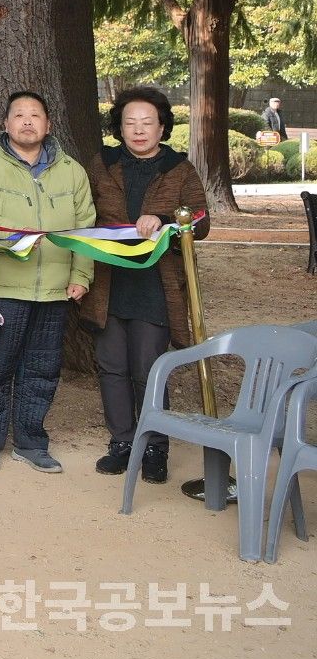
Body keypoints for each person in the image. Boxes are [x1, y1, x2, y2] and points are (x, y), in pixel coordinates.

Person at [0, 91, 96, 474]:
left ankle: (31, 441)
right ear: (5, 123)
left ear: (48, 124)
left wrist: (81, 275)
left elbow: (86, 229)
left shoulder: (71, 171)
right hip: (3, 285)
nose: (27, 121)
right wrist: (20, 239)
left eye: (35, 115)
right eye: (18, 115)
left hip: (55, 289)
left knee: (43, 368)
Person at [84, 87, 211, 484]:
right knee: (111, 367)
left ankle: (155, 447)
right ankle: (121, 443)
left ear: (162, 127)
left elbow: (201, 221)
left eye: (147, 123)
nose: (138, 131)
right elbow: (82, 211)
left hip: (155, 285)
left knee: (147, 368)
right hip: (109, 281)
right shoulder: (102, 163)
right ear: (119, 127)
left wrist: (163, 217)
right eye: (130, 123)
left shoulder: (179, 168)